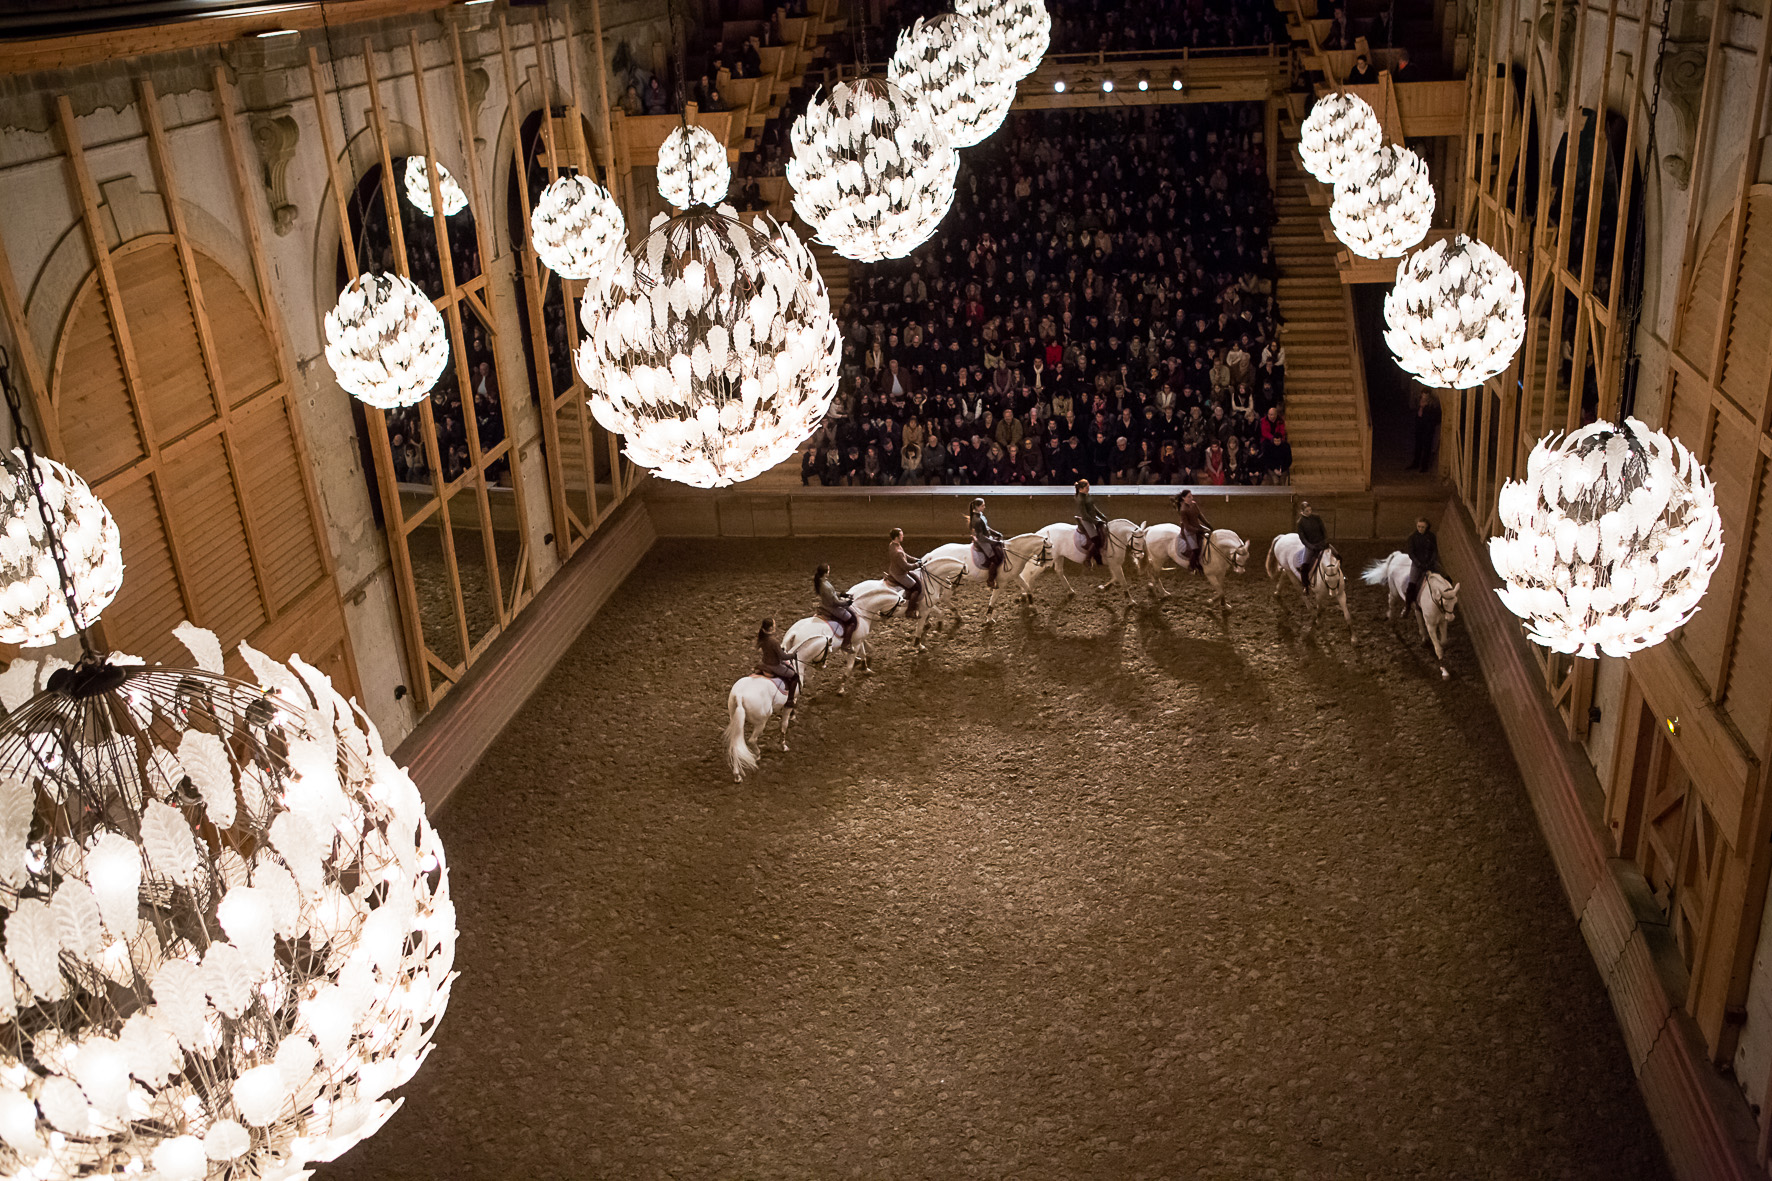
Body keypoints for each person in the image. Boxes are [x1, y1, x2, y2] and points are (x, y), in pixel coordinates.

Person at [754, 618, 799, 709]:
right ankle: (790, 700)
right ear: (770, 628)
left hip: (764, 662)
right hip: (774, 665)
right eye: (774, 625)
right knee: (795, 676)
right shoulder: (773, 641)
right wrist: (793, 655)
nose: (775, 626)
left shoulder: (762, 638)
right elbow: (783, 657)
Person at [813, 563, 856, 646]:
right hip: (832, 608)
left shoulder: (822, 581)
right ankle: (846, 643)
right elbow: (836, 602)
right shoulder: (826, 586)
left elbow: (832, 594)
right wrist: (847, 602)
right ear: (825, 573)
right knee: (851, 620)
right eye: (828, 571)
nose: (829, 572)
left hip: (826, 604)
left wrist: (841, 594)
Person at [886, 527, 925, 618]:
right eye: (901, 535)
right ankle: (910, 611)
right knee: (916, 589)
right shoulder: (897, 552)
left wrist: (917, 559)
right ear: (897, 537)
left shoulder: (893, 544)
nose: (903, 536)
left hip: (895, 569)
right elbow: (907, 567)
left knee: (918, 580)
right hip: (900, 574)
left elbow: (905, 555)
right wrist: (917, 565)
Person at [969, 496, 1007, 588]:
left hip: (987, 537)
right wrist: (993, 542)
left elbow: (986, 527)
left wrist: (996, 533)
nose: (984, 507)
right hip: (982, 540)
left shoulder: (981, 515)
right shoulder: (976, 519)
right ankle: (990, 580)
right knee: (994, 558)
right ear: (977, 507)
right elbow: (981, 537)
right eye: (983, 506)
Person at [1405, 516, 1439, 612]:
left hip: (1430, 563)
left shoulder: (1432, 537)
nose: (1420, 529)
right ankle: (1407, 606)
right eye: (1418, 526)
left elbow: (1435, 551)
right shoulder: (1412, 537)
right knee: (1411, 584)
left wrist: (1431, 562)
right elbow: (1411, 553)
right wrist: (1418, 564)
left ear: (1427, 527)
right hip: (1417, 564)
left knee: (1446, 578)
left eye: (1422, 527)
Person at [1175, 488, 1212, 572]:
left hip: (1197, 527)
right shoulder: (1183, 510)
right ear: (1184, 498)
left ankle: (1200, 562)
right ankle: (1191, 567)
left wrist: (1208, 525)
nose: (1191, 498)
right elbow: (1187, 526)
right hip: (1189, 531)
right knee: (1195, 550)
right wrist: (1197, 531)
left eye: (1191, 496)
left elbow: (1200, 516)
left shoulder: (1194, 504)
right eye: (1189, 497)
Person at [1296, 499, 1331, 586]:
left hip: (1322, 543)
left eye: (1310, 510)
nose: (1309, 512)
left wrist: (1325, 540)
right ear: (1302, 512)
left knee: (1336, 556)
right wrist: (1311, 547)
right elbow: (1303, 538)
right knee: (1304, 565)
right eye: (1307, 511)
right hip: (1311, 546)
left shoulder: (1317, 517)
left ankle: (1342, 576)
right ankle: (1305, 585)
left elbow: (1323, 530)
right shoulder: (1300, 523)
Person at [1074, 478, 1108, 566]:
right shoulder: (1080, 499)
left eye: (1088, 487)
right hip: (1087, 521)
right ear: (1081, 488)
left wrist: (1102, 516)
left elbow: (1093, 507)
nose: (1088, 489)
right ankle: (1088, 559)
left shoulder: (1087, 495)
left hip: (1093, 518)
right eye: (1087, 487)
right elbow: (1085, 515)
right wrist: (1096, 522)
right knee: (1096, 540)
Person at [1409, 389, 1442, 473]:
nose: (1424, 397)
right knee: (1418, 446)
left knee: (1427, 447)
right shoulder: (1418, 402)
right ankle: (1416, 463)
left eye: (1426, 396)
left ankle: (1424, 466)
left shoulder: (1433, 405)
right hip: (1419, 427)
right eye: (1423, 395)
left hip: (1428, 428)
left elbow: (1437, 417)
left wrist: (1431, 424)